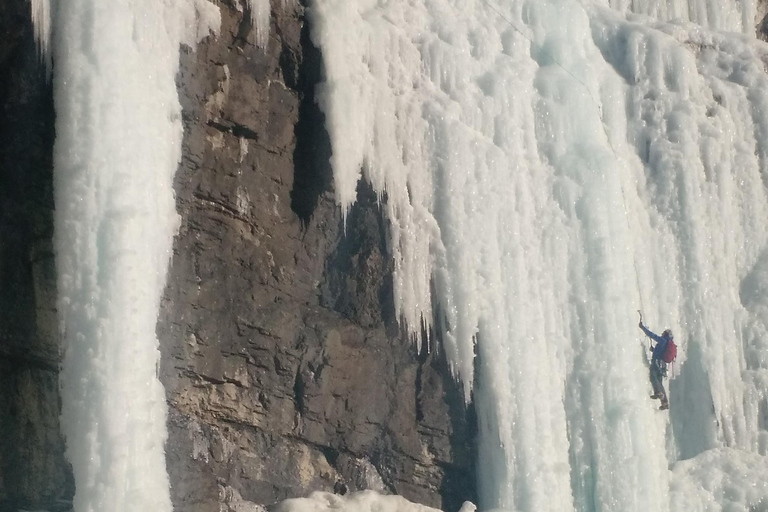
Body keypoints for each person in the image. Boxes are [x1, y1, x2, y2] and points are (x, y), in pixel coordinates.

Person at [638, 321, 672, 410]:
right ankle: (665, 402)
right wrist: (653, 350)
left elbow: (652, 335)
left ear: (665, 334)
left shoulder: (663, 340)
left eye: (663, 333)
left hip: (657, 362)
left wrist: (642, 327)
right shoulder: (667, 343)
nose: (662, 334)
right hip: (663, 365)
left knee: (653, 377)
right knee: (660, 382)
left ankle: (659, 392)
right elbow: (661, 352)